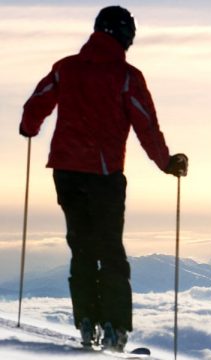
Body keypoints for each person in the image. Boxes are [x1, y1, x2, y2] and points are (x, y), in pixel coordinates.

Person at [18, 6, 188, 351]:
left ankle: (86, 322)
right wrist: (166, 163)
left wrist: (29, 128)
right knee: (110, 250)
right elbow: (145, 125)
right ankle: (115, 327)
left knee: (81, 247)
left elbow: (36, 102)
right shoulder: (127, 76)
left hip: (66, 172)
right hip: (105, 175)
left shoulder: (66, 68)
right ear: (125, 36)